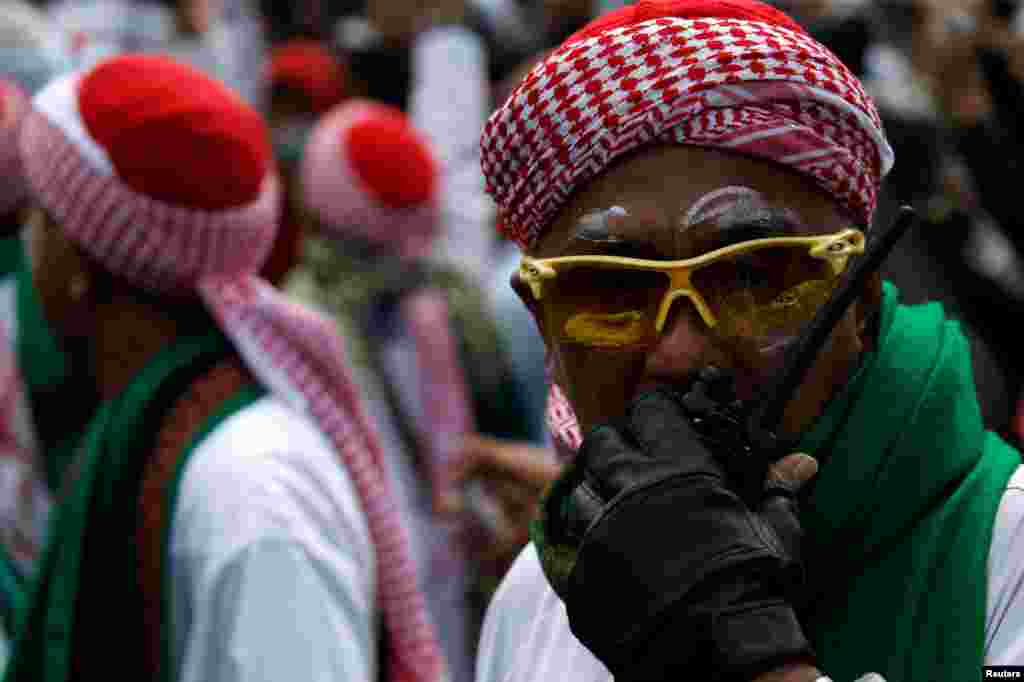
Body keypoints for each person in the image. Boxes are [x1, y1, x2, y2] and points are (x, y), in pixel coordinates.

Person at [475, 1, 1024, 681]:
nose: (678, 353)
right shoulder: (536, 600)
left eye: (754, 277)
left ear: (859, 297)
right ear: (541, 321)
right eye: (612, 291)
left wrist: (746, 654)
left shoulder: (1007, 554)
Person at [4, 53, 444, 682]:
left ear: (76, 264)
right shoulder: (163, 432)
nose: (24, 243)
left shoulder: (253, 493)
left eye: (39, 217)